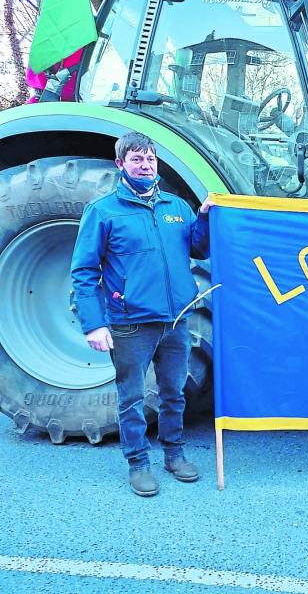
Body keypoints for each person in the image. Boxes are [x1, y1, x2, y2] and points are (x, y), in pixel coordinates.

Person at [71, 132, 214, 497]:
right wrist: (95, 324)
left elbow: (198, 247)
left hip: (175, 319)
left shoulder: (176, 208)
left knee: (173, 393)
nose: (145, 165)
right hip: (131, 323)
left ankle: (174, 454)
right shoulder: (103, 212)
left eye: (149, 159)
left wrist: (204, 218)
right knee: (132, 397)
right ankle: (137, 463)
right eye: (136, 160)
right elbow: (84, 272)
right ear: (121, 165)